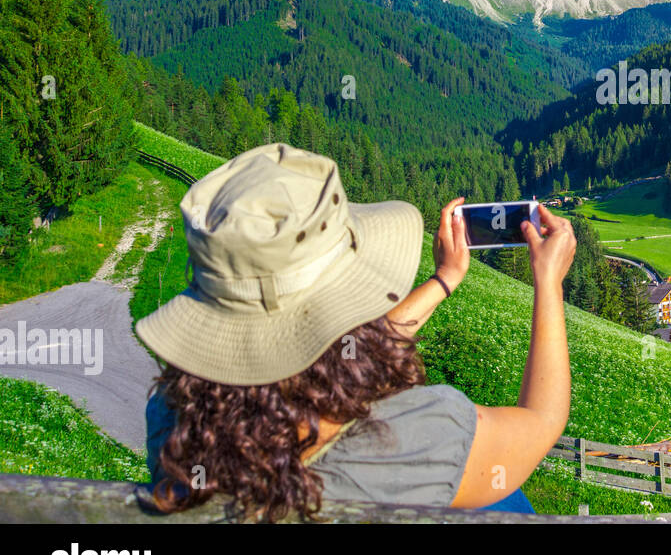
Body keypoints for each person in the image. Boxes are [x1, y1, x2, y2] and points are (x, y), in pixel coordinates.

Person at [136, 142, 574, 521]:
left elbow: (320, 350)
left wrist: (443, 281)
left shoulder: (175, 420)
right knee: (504, 502)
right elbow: (541, 422)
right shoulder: (411, 438)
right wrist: (548, 281)